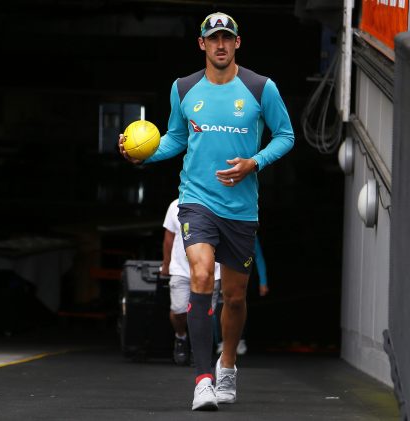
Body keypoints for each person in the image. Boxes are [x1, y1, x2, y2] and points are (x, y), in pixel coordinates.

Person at [118, 11, 294, 411]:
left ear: (237, 43)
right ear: (201, 44)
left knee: (234, 297)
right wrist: (141, 156)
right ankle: (202, 379)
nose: (220, 45)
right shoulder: (183, 88)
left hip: (241, 209)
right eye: (213, 39)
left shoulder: (260, 87)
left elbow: (286, 135)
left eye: (226, 38)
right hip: (196, 200)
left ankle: (227, 363)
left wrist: (256, 162)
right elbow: (175, 139)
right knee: (199, 273)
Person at [161, 198, 220, 366]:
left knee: (205, 313)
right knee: (179, 310)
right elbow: (169, 237)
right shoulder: (176, 204)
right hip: (181, 269)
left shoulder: (220, 202)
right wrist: (166, 264)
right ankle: (181, 336)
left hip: (211, 270)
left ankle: (198, 349)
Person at [214, 235, 268, 356]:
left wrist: (263, 281)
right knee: (218, 307)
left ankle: (240, 340)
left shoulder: (248, 230)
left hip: (240, 273)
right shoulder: (216, 225)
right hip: (219, 274)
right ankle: (221, 341)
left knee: (238, 304)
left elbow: (258, 257)